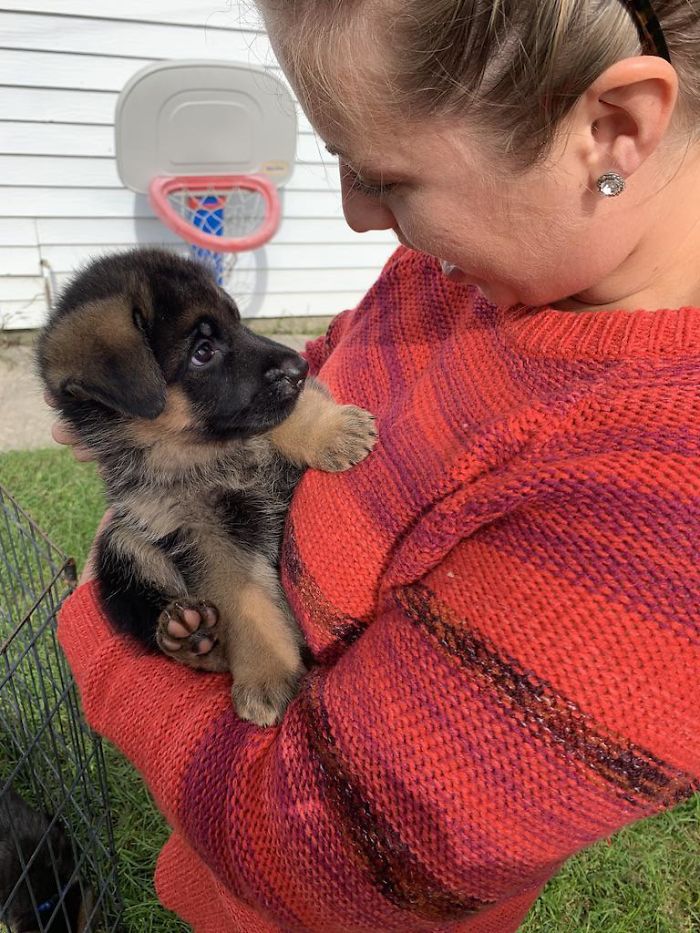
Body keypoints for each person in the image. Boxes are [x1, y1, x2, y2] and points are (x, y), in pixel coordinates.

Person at [53, 1, 700, 930]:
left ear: (613, 129)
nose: (360, 218)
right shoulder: (456, 279)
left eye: (384, 176)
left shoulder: (660, 515)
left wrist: (103, 630)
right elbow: (335, 366)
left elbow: (330, 857)